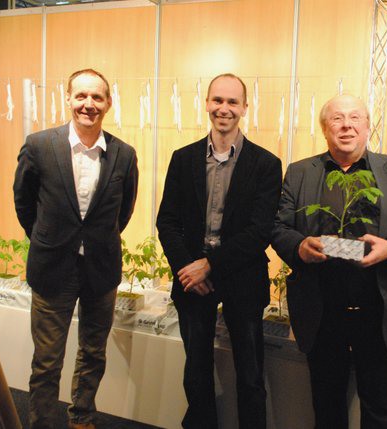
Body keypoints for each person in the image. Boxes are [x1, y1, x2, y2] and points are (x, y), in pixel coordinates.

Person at [271, 94, 387, 428]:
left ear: (367, 126)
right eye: (337, 118)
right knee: (326, 409)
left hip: (378, 312)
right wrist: (299, 245)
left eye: (354, 118)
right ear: (325, 128)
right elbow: (277, 227)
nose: (346, 125)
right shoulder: (300, 172)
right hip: (322, 313)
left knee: (379, 411)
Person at [13, 68, 138, 429]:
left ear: (108, 103)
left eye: (97, 97)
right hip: (52, 267)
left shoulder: (124, 154)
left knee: (93, 353)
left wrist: (95, 241)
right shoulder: (39, 145)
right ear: (68, 98)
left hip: (101, 269)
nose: (88, 104)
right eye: (81, 95)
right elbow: (24, 201)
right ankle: (42, 423)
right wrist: (48, 239)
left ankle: (81, 417)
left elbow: (124, 210)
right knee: (47, 360)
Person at [156, 73, 282, 429]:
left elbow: (259, 231)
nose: (223, 108)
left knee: (250, 374)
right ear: (207, 103)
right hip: (192, 280)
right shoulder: (183, 158)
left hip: (242, 278)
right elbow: (167, 221)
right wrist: (188, 269)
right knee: (196, 372)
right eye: (217, 100)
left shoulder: (266, 164)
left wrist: (208, 265)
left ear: (245, 108)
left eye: (232, 102)